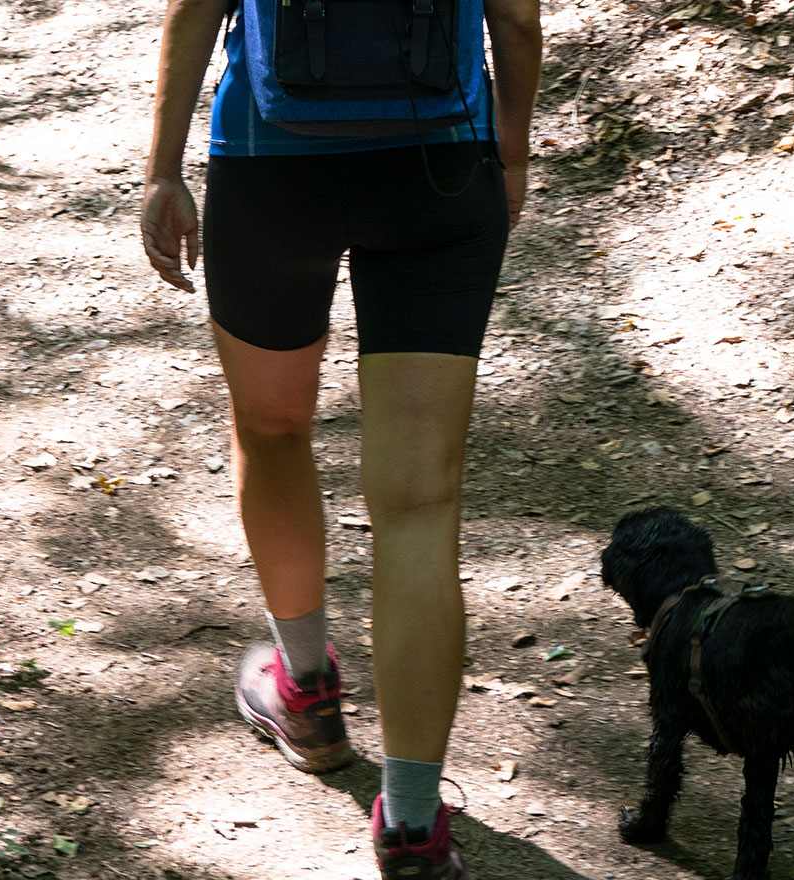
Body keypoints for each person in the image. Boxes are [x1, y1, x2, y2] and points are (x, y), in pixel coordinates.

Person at [138, 0, 542, 876]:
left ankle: (307, 691)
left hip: (269, 165)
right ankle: (413, 824)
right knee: (419, 502)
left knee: (273, 428)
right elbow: (514, 19)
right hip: (443, 168)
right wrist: (510, 157)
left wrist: (162, 169)